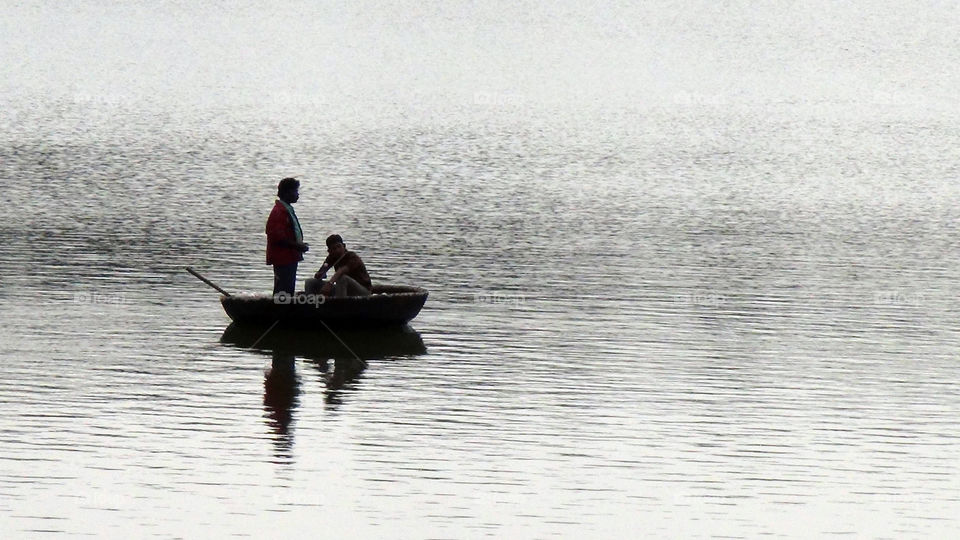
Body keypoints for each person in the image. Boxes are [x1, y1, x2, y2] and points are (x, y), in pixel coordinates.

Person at [265, 177, 309, 295]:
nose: (297, 194)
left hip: (289, 256)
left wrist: (298, 246)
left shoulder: (286, 209)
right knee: (283, 290)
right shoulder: (279, 212)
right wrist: (298, 246)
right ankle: (280, 312)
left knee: (287, 288)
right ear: (287, 193)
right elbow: (277, 237)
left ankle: (282, 310)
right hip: (283, 258)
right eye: (295, 191)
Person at [306, 234, 372, 297]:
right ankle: (311, 303)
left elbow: (341, 271)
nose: (337, 250)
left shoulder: (352, 257)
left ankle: (340, 306)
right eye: (334, 248)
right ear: (329, 251)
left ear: (344, 246)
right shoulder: (331, 257)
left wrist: (330, 284)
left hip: (362, 291)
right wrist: (320, 274)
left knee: (342, 278)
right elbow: (322, 270)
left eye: (339, 246)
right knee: (310, 282)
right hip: (344, 289)